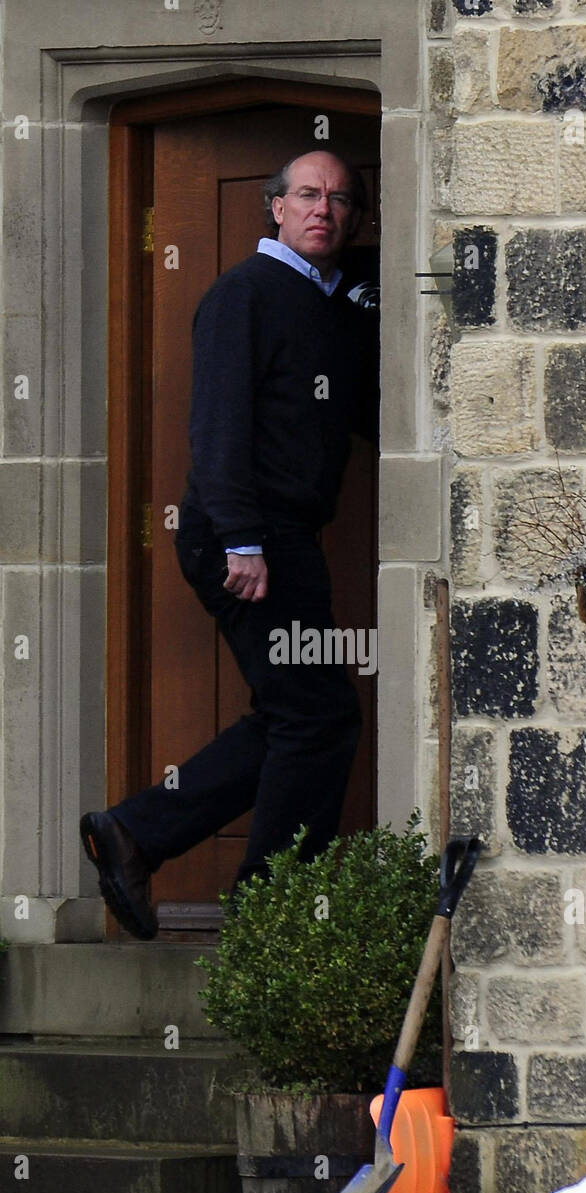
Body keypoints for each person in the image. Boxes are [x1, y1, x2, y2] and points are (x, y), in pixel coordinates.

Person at [80, 148, 379, 940]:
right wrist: (244, 541)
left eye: (343, 201)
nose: (325, 209)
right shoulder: (243, 294)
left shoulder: (332, 302)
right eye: (308, 195)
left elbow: (363, 410)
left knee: (297, 712)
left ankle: (137, 833)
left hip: (284, 536)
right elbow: (216, 428)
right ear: (274, 207)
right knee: (316, 717)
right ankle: (270, 918)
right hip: (245, 535)